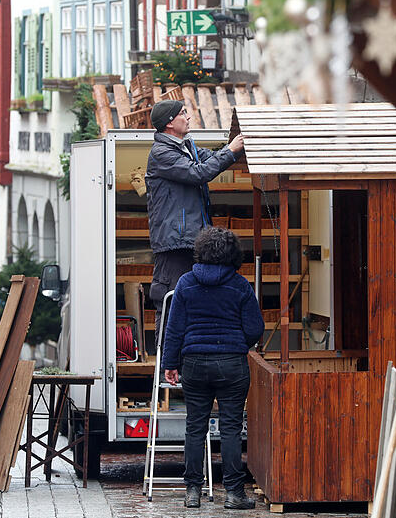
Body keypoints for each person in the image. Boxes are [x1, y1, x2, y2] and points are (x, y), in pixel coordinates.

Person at [161, 227, 264, 510]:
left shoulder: (185, 283)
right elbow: (255, 328)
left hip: (193, 364)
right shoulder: (240, 285)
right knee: (231, 429)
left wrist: (170, 364)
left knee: (195, 428)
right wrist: (237, 344)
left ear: (201, 251)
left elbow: (174, 329)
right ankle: (233, 494)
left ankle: (192, 492)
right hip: (231, 364)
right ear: (233, 254)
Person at [146, 99, 245, 323]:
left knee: (195, 296)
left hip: (192, 239)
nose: (188, 116)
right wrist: (231, 150)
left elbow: (211, 159)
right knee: (171, 296)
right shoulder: (162, 153)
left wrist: (235, 149)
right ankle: (167, 355)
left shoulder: (186, 147)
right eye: (183, 113)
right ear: (170, 123)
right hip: (175, 242)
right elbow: (198, 173)